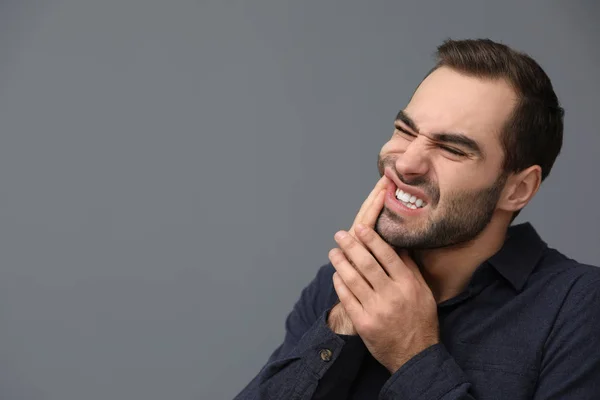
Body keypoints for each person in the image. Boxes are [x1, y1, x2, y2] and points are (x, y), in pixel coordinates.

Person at [233, 39, 600, 399]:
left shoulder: (579, 307)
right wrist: (343, 324)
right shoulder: (338, 284)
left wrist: (412, 355)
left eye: (452, 149)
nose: (406, 162)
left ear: (517, 189)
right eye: (405, 131)